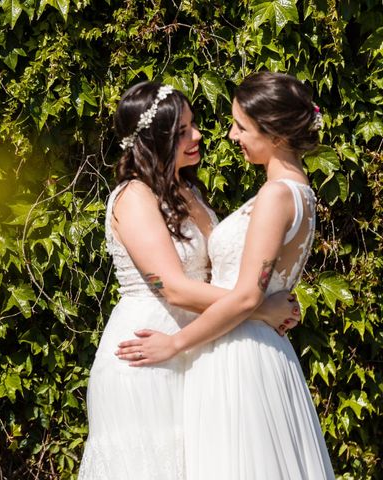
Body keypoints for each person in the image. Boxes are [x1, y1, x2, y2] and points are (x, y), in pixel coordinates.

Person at [116, 72, 335, 479]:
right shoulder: (298, 191)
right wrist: (263, 307)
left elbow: (247, 293)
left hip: (233, 350)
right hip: (224, 340)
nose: (228, 135)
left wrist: (178, 342)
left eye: (242, 126)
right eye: (184, 130)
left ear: (273, 134)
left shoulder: (275, 195)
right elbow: (245, 295)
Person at [77, 81, 299, 480]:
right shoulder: (134, 197)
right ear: (152, 140)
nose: (197, 136)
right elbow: (174, 288)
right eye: (181, 132)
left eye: (192, 125)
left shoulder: (190, 192)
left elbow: (223, 271)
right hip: (146, 352)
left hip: (194, 352)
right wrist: (259, 308)